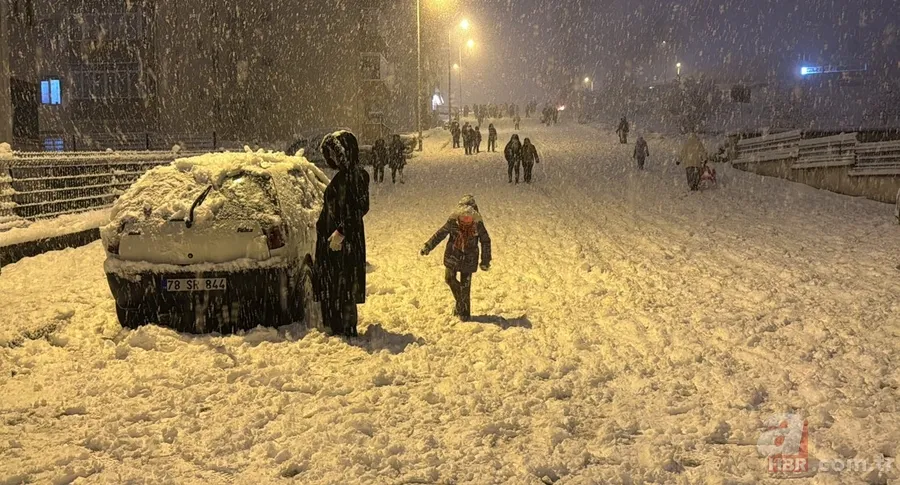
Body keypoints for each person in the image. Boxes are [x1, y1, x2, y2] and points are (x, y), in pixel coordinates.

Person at [315, 131, 370, 338]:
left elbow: (359, 207)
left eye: (335, 153)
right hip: (333, 242)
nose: (333, 158)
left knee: (344, 285)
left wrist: (342, 231)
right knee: (334, 284)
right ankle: (334, 326)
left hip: (346, 242)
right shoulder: (343, 176)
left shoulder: (357, 175)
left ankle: (345, 328)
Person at [421, 195, 492, 322]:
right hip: (452, 257)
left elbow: (485, 241)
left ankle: (464, 313)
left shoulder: (477, 225)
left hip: (469, 259)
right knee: (449, 278)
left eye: (468, 216)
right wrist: (428, 246)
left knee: (465, 287)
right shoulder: (453, 223)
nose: (465, 219)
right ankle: (460, 302)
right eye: (463, 216)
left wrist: (485, 260)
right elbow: (440, 234)